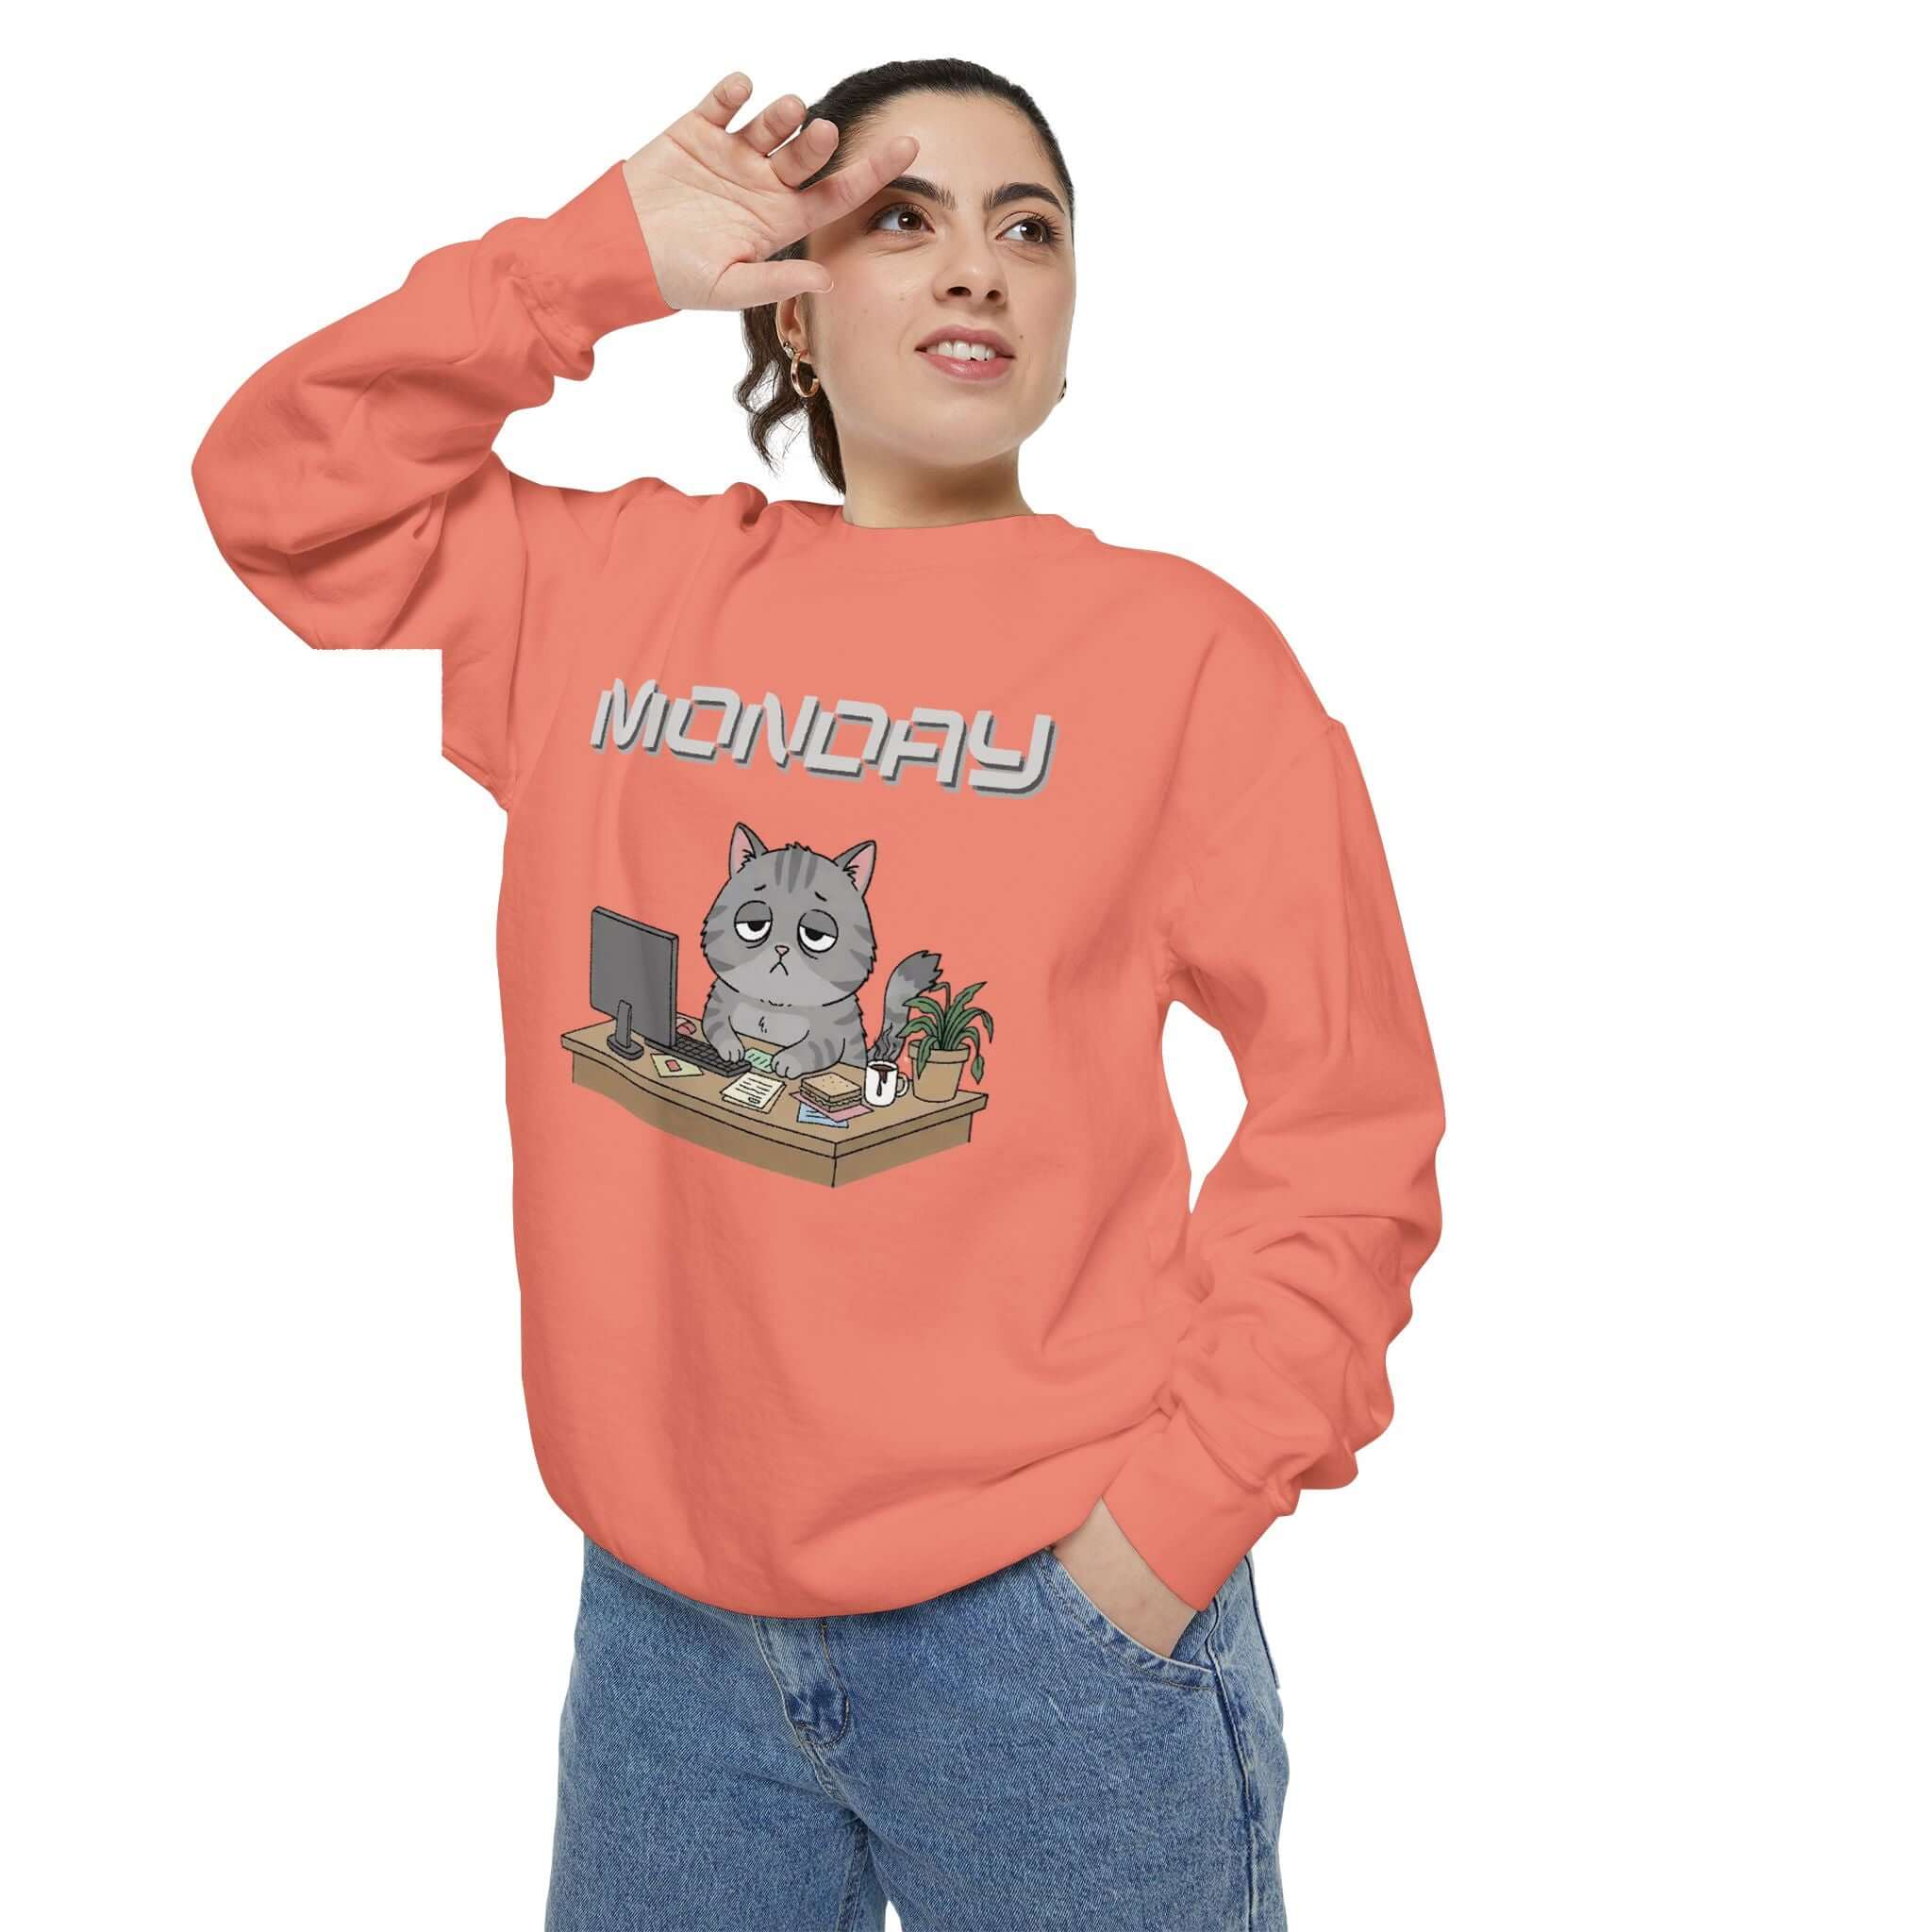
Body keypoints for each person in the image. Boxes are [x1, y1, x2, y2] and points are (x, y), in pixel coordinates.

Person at [191, 58, 1445, 1932]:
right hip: (665, 1636)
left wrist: (1163, 1534)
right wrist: (593, 260)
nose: (977, 267)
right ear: (790, 297)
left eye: (1029, 228)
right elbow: (281, 493)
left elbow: (1351, 1121)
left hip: (1050, 1632)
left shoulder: (1184, 658)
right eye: (901, 219)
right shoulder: (607, 594)